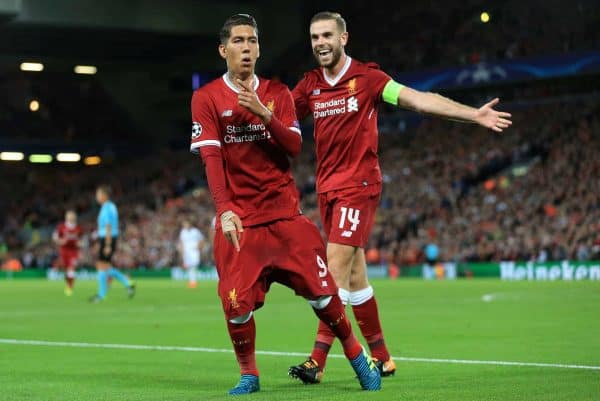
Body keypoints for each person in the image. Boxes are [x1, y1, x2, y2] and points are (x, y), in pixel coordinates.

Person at [289, 11, 512, 383]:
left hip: (358, 187)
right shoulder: (309, 86)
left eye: (327, 35)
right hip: (327, 190)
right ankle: (383, 357)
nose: (320, 43)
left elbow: (419, 101)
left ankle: (317, 360)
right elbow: (280, 120)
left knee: (332, 271)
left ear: (344, 38)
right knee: (355, 276)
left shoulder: (369, 79)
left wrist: (473, 115)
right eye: (314, 37)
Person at [190, 14, 380, 395]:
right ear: (223, 49)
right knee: (236, 306)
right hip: (241, 222)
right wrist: (224, 209)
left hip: (284, 216)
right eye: (239, 41)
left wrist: (264, 113)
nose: (247, 48)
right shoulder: (206, 98)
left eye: (253, 41)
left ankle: (359, 357)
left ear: (259, 48)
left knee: (325, 294)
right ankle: (249, 375)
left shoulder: (277, 94)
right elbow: (211, 158)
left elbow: (293, 146)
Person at [89, 185, 135, 303]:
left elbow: (108, 226)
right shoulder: (111, 206)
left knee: (102, 266)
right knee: (105, 267)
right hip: (108, 238)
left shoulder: (107, 208)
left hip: (108, 238)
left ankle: (102, 294)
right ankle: (127, 283)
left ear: (104, 195)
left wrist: (108, 244)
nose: (97, 197)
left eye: (98, 194)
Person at [52, 210, 83, 296]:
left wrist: (80, 243)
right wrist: (60, 241)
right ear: (66, 217)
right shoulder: (61, 227)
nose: (71, 217)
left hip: (74, 251)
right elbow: (55, 237)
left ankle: (70, 287)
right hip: (64, 251)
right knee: (66, 270)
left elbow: (81, 239)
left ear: (75, 217)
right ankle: (68, 284)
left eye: (72, 216)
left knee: (71, 269)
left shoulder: (78, 228)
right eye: (69, 216)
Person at [178, 217, 205, 288]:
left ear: (189, 224)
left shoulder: (195, 231)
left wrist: (199, 247)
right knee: (189, 267)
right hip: (186, 252)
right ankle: (192, 281)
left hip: (194, 252)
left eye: (186, 224)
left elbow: (201, 240)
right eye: (184, 224)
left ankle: (192, 282)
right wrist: (181, 251)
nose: (185, 225)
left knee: (193, 266)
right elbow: (181, 242)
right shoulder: (183, 232)